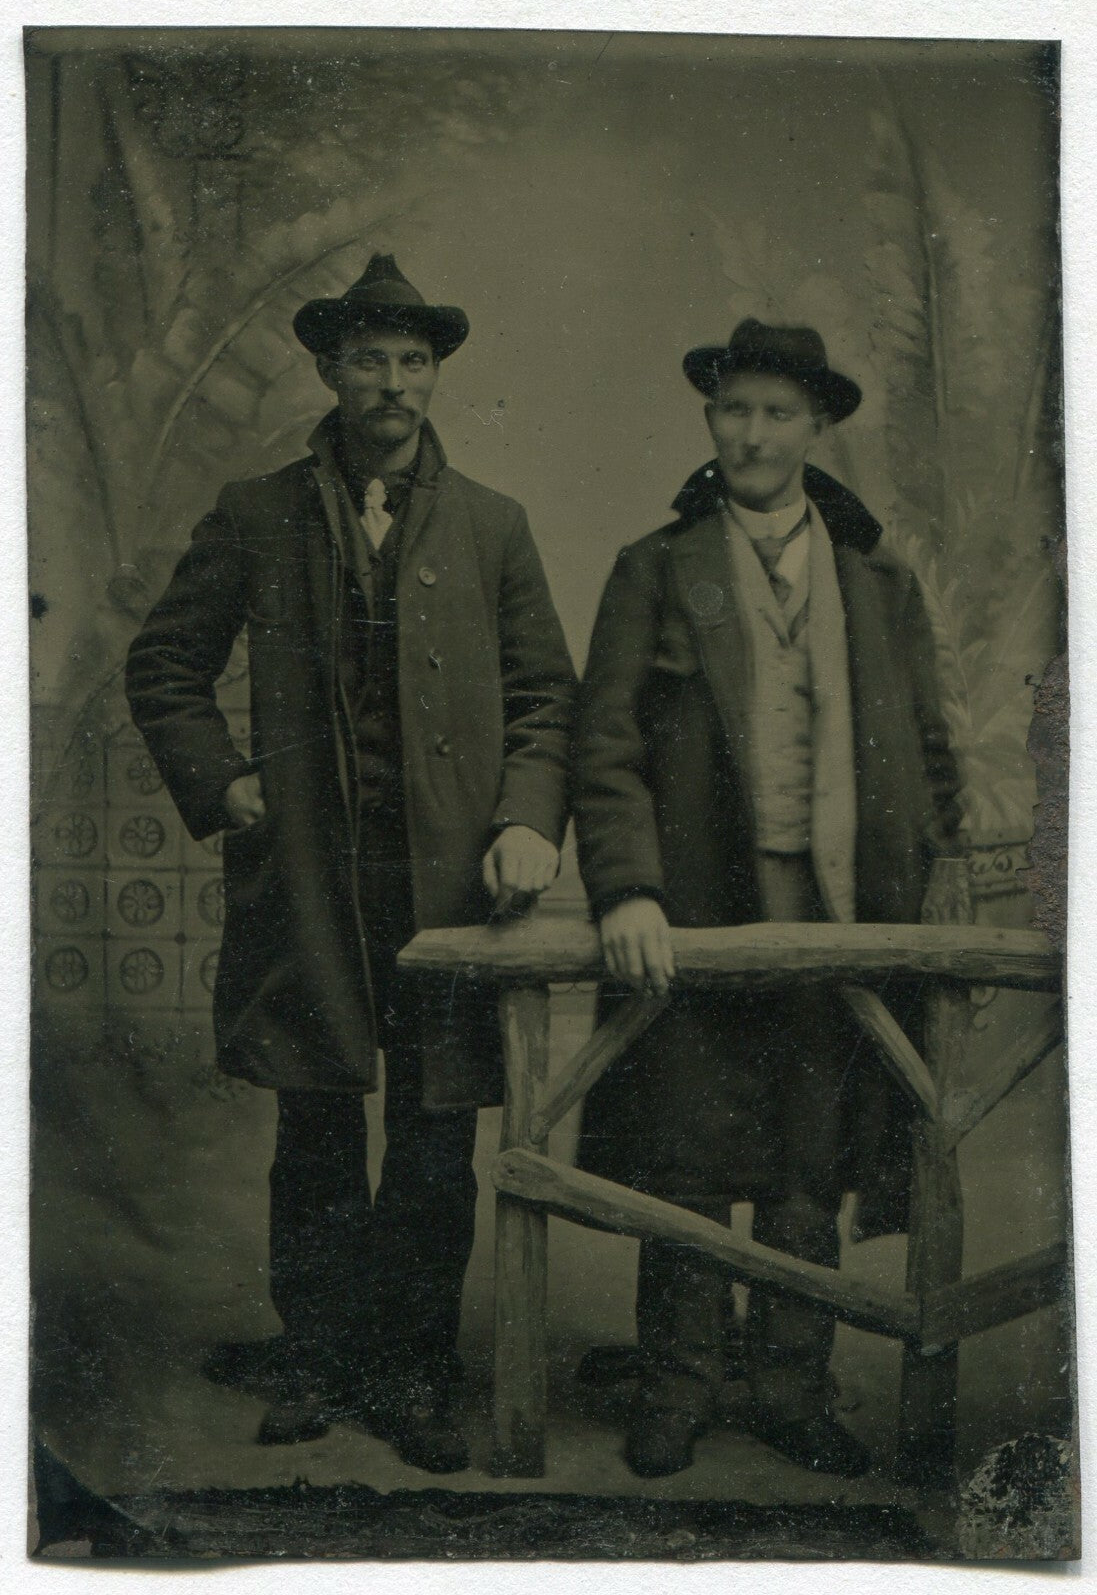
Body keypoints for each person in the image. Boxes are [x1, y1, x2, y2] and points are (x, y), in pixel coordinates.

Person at [126, 254, 576, 1472]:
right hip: (311, 880)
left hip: (449, 890)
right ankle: (320, 1354)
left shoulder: (493, 525)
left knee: (435, 1138)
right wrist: (225, 784)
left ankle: (414, 1368)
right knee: (317, 1127)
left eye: (413, 362)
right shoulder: (255, 510)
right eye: (369, 360)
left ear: (436, 377)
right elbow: (165, 667)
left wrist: (525, 818)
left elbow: (545, 699)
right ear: (328, 370)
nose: (392, 383)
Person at [571, 318, 961, 1479]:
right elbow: (603, 750)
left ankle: (792, 1385)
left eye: (776, 413)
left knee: (811, 1155)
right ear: (708, 421)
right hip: (694, 906)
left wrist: (928, 900)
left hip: (844, 908)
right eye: (732, 410)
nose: (751, 433)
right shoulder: (656, 566)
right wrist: (628, 890)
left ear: (816, 428)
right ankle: (679, 1385)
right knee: (688, 1156)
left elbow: (931, 753)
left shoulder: (875, 580)